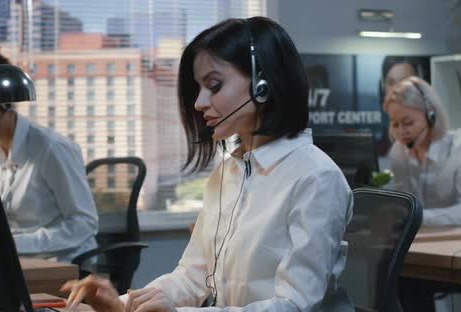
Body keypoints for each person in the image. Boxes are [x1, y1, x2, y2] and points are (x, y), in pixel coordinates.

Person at [61, 17, 354, 311]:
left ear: (263, 84)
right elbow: (191, 278)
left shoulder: (316, 178)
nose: (199, 102)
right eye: (198, 89)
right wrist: (121, 305)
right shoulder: (227, 173)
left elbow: (294, 305)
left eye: (214, 85)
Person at [0, 45, 99, 263]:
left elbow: (84, 223)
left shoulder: (50, 148)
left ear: (1, 102)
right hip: (20, 261)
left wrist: (16, 244)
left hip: (64, 263)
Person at [383, 76, 461, 226]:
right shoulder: (398, 151)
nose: (401, 131)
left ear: (431, 116)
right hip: (426, 237)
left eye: (408, 122)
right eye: (395, 124)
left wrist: (418, 218)